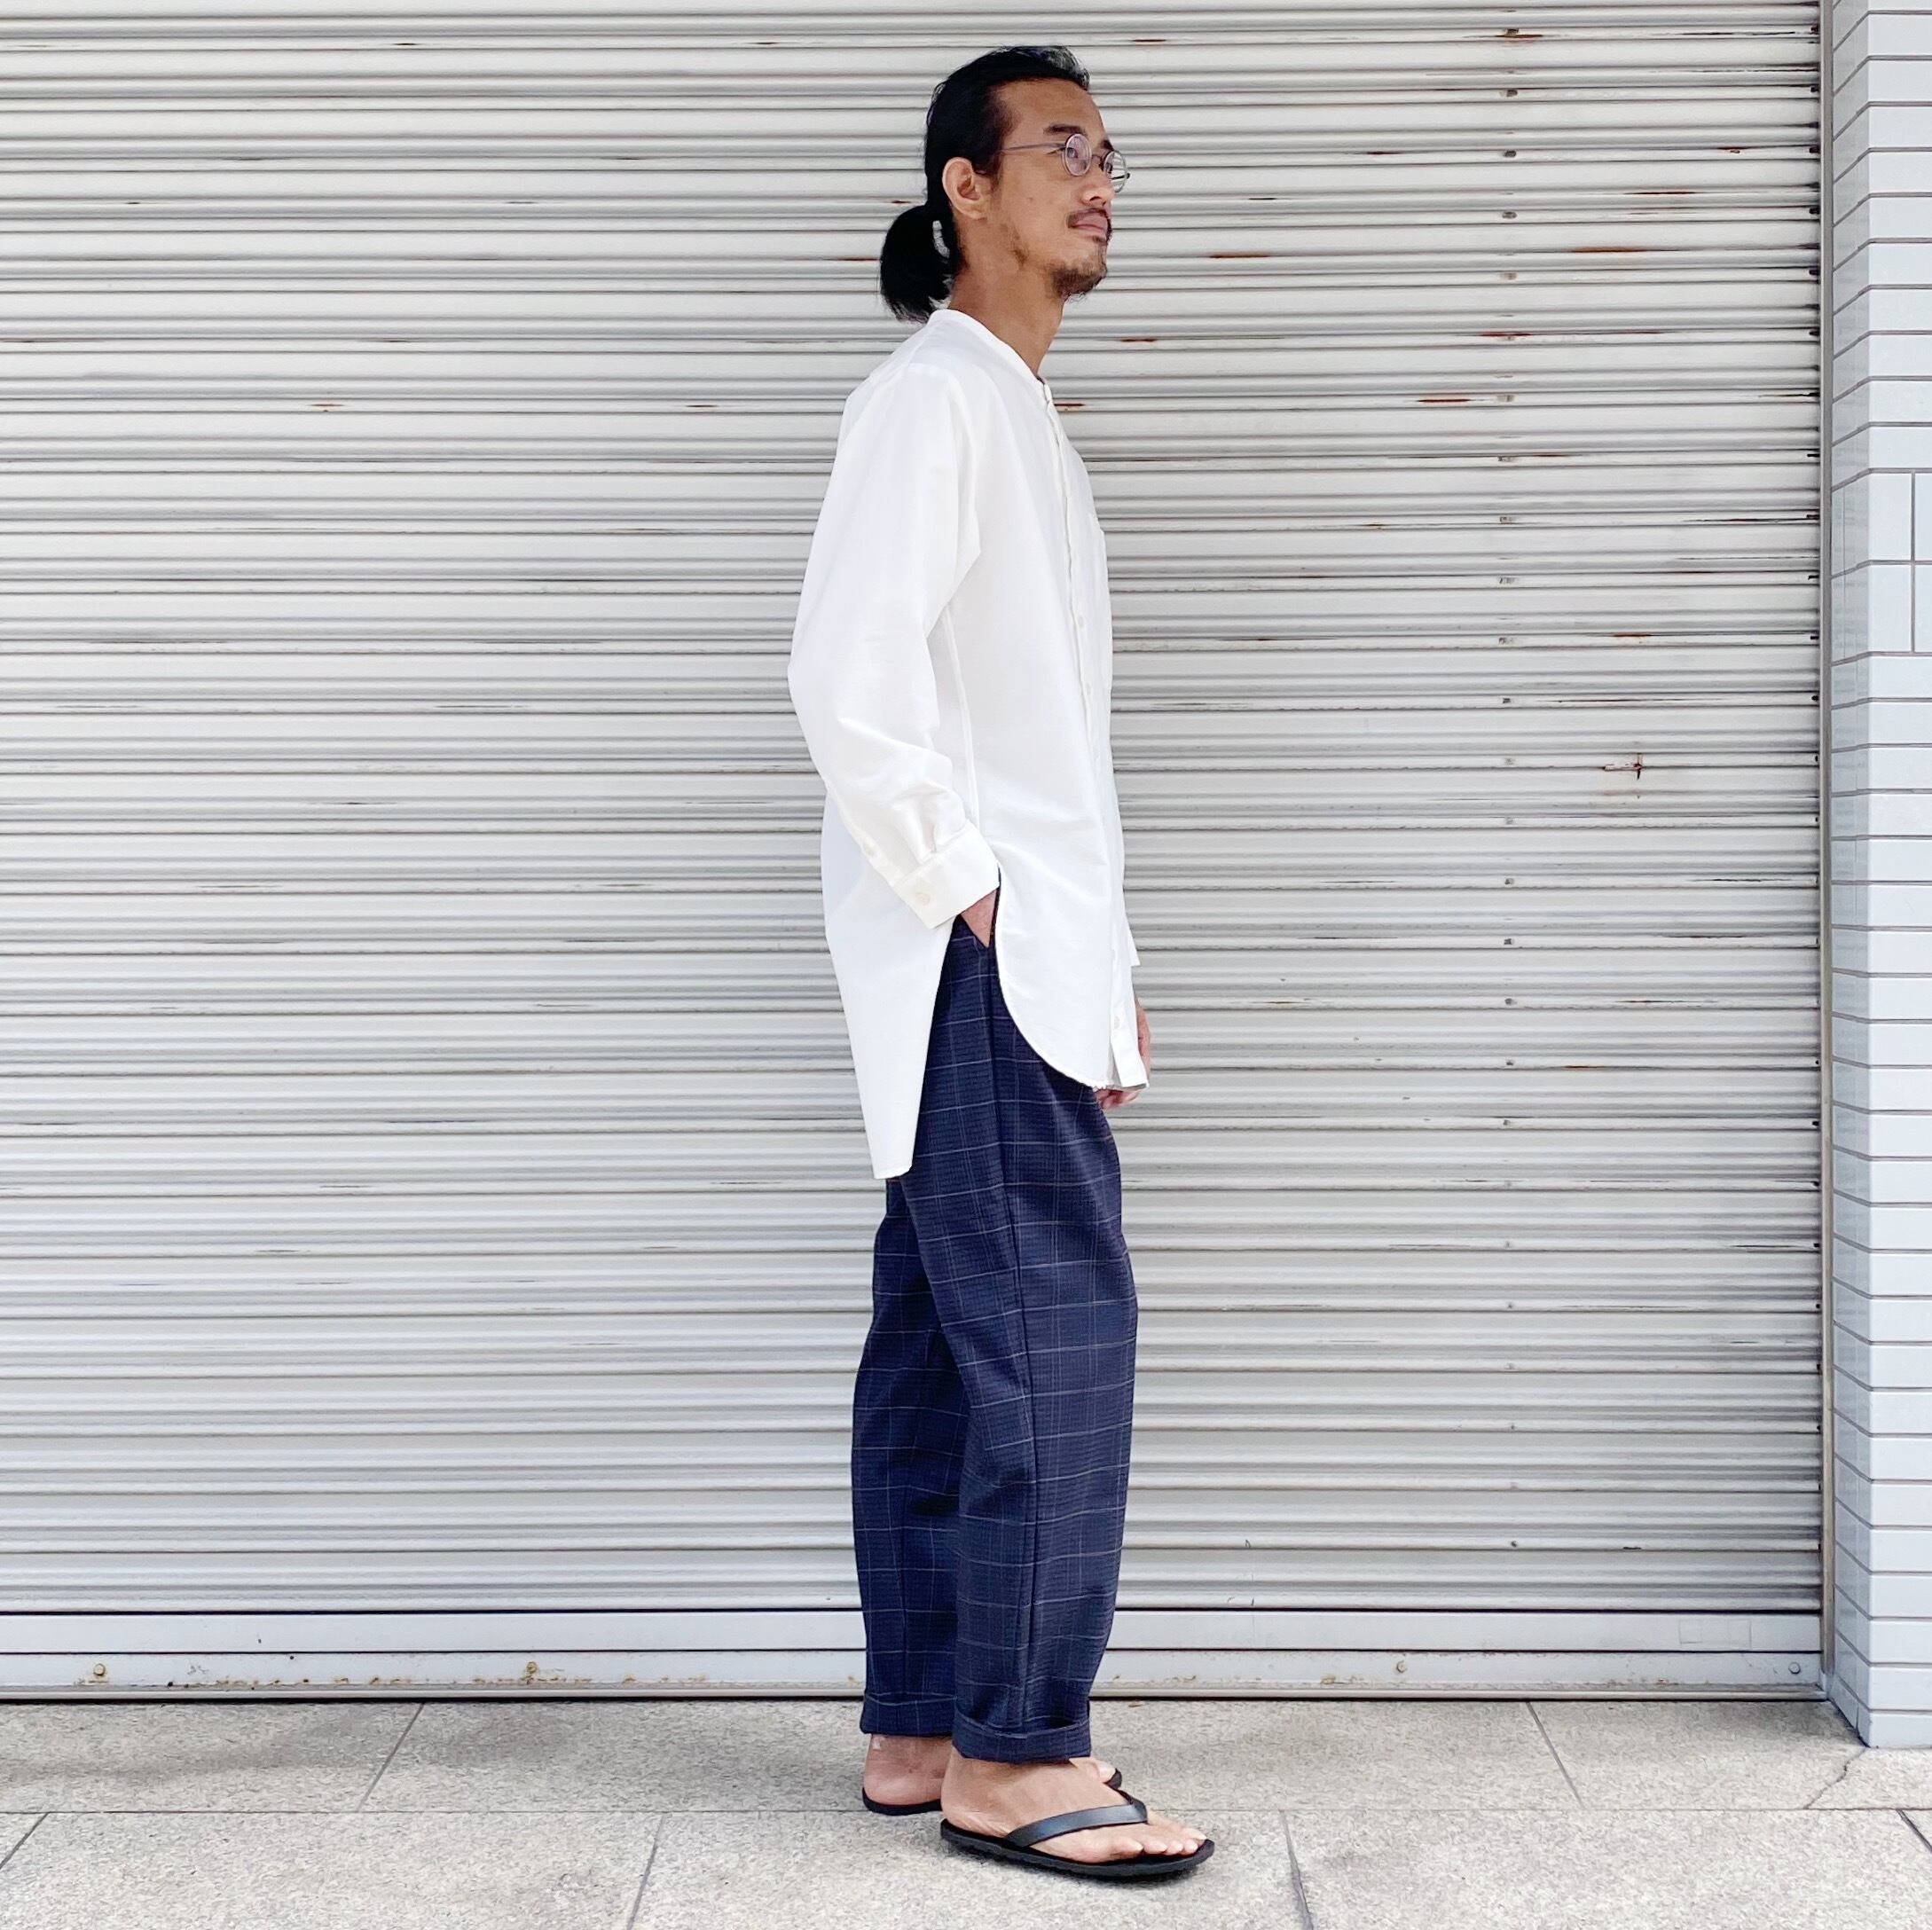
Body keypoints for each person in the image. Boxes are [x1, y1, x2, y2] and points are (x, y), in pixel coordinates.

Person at [784, 45, 1213, 1883]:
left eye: (1111, 156)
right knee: (1055, 1342)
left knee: (947, 1357)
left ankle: (921, 1727)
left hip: (1006, 959)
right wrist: (975, 893)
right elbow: (845, 674)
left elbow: (1036, 747)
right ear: (964, 186)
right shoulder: (936, 400)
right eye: (1061, 149)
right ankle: (1021, 1753)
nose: (1099, 181)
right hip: (977, 959)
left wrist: (1092, 959)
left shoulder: (1009, 410)